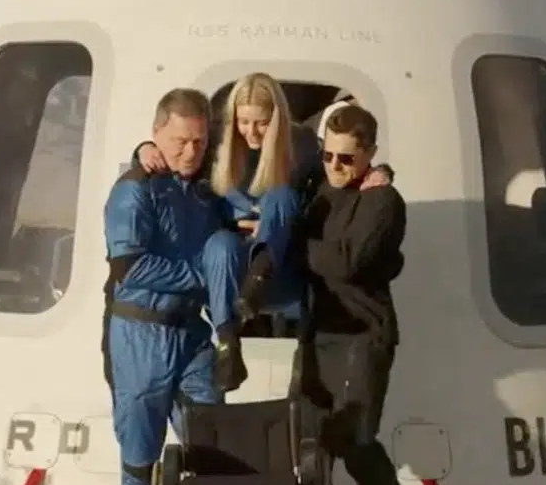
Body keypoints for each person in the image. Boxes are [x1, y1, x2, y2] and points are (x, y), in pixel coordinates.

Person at [130, 75, 392, 390]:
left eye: (262, 123)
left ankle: (259, 275)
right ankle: (227, 344)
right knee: (220, 244)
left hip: (277, 268)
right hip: (229, 272)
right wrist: (143, 149)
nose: (251, 132)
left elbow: (338, 170)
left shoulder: (301, 144)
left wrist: (379, 172)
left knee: (281, 195)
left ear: (277, 119)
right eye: (244, 122)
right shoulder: (218, 144)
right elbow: (180, 161)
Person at [102, 87, 235, 485]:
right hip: (140, 334)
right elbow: (129, 266)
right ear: (157, 133)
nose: (190, 151)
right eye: (180, 141)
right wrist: (201, 274)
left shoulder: (204, 193)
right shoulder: (134, 190)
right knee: (140, 455)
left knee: (209, 436)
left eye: (199, 142)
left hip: (190, 333)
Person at [294, 104, 415, 485]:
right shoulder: (321, 189)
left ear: (369, 154)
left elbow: (348, 263)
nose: (335, 166)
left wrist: (293, 244)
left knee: (356, 437)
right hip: (319, 331)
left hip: (363, 333)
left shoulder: (383, 201)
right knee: (307, 438)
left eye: (346, 158)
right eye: (328, 155)